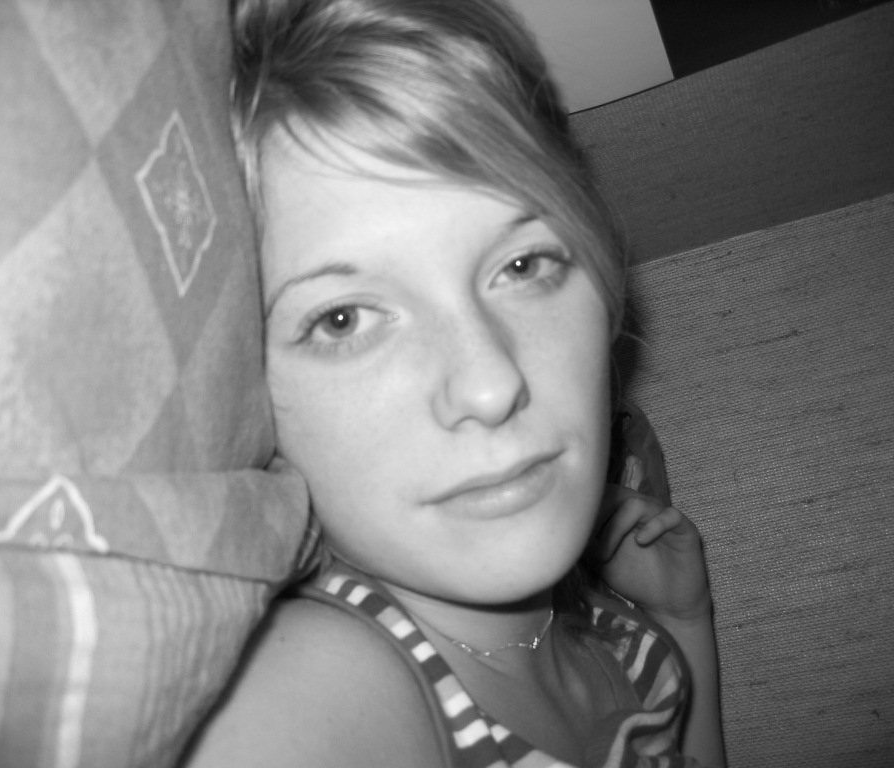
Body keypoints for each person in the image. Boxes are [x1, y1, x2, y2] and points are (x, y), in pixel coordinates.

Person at [187, 0, 725, 765]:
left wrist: (683, 622)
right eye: (342, 319)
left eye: (522, 265)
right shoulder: (318, 690)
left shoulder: (621, 640)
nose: (491, 385)